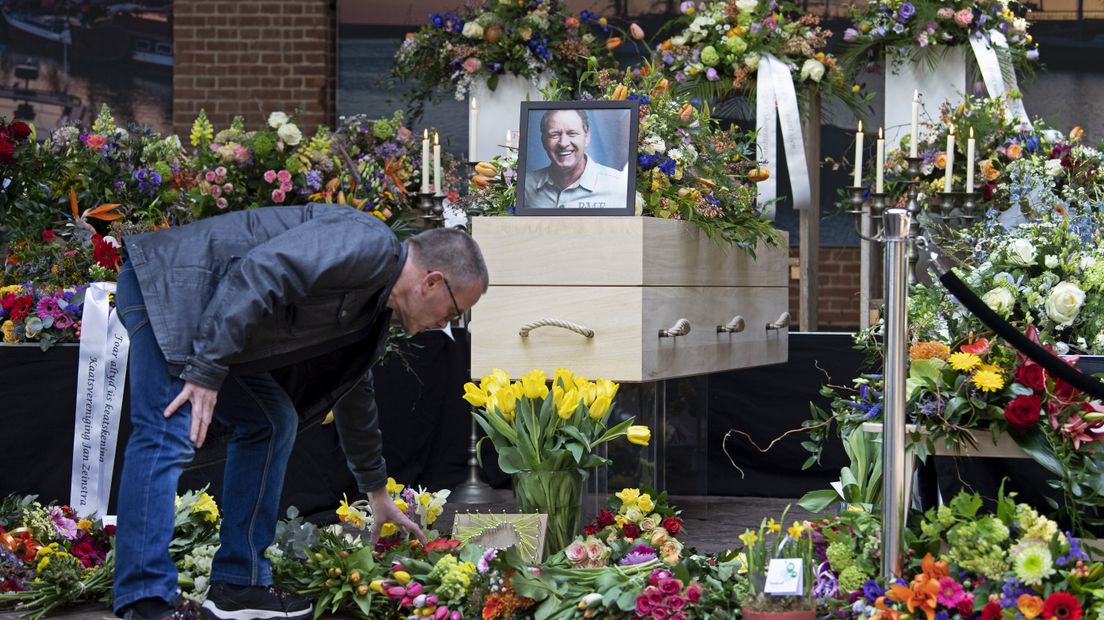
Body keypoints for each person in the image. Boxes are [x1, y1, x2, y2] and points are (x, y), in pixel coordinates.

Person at [111, 203, 488, 620]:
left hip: (212, 314)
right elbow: (263, 270)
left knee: (271, 422)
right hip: (172, 290)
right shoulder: (370, 243)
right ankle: (145, 600)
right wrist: (205, 370)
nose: (445, 324)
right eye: (453, 312)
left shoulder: (375, 309)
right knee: (166, 431)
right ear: (432, 281)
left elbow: (354, 394)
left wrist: (377, 492)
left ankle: (239, 583)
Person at [523, 109, 627, 210]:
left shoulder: (618, 186)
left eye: (572, 133)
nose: (563, 143)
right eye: (554, 135)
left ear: (587, 137)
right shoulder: (526, 186)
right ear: (543, 141)